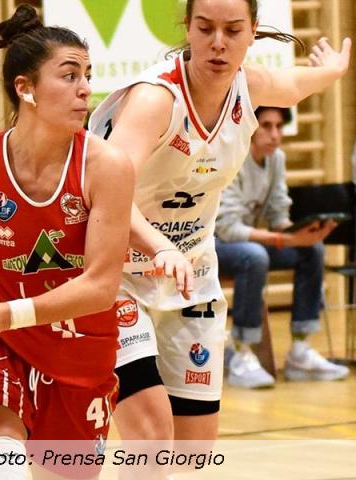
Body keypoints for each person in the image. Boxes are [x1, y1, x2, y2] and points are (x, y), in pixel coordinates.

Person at [89, 0, 351, 441]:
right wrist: (160, 246)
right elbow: (108, 195)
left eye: (232, 30)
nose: (217, 43)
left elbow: (292, 86)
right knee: (150, 433)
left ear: (253, 32)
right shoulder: (155, 99)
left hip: (190, 275)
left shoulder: (250, 86)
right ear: (187, 27)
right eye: (205, 28)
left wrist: (334, 71)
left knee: (193, 447)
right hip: (119, 273)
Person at [0, 5, 133, 478]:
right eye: (69, 75)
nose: (84, 88)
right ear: (25, 88)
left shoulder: (107, 166)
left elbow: (101, 286)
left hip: (80, 345)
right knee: (0, 469)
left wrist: (4, 313)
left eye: (87, 75)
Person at [216, 106, 349, 388]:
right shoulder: (232, 155)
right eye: (267, 125)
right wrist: (284, 240)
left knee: (312, 250)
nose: (275, 134)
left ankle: (300, 349)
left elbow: (278, 215)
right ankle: (241, 352)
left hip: (248, 242)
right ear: (251, 127)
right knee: (254, 256)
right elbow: (227, 229)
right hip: (211, 245)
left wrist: (303, 232)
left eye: (279, 127)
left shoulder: (276, 158)